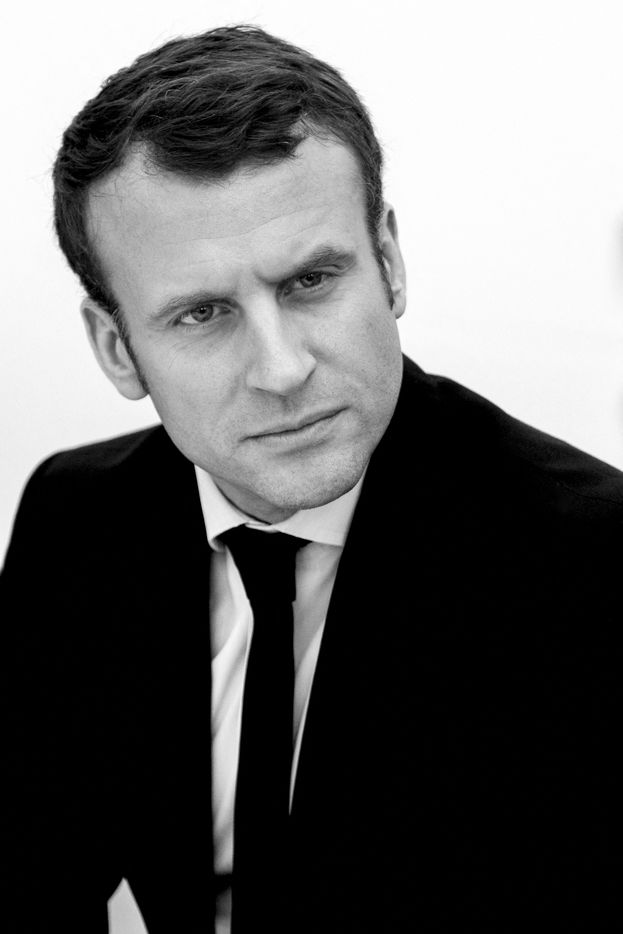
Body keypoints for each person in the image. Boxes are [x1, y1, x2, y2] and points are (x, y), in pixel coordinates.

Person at [1, 24, 619, 934]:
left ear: (389, 263)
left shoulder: (593, 563)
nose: (282, 368)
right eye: (202, 313)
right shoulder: (76, 516)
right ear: (115, 347)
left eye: (311, 280)